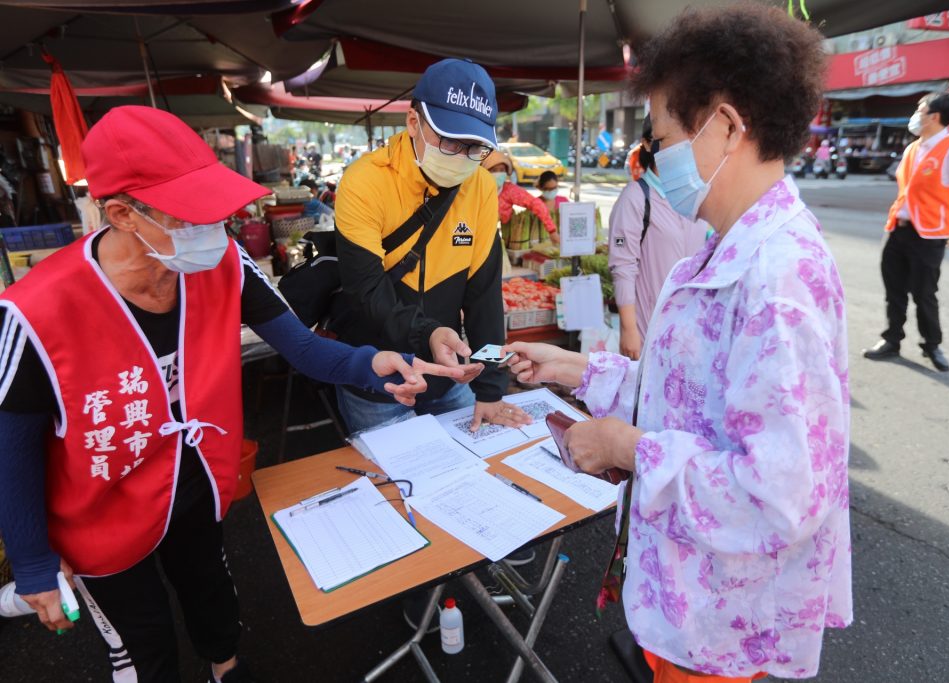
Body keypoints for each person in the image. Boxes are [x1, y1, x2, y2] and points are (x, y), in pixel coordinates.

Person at [0, 106, 464, 683]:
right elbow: (11, 446)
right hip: (101, 505)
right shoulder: (36, 310)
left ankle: (226, 668)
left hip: (192, 478)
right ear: (122, 213)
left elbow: (300, 346)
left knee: (212, 591)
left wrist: (373, 364)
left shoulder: (226, 264)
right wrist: (33, 561)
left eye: (216, 211)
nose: (214, 230)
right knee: (143, 646)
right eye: (192, 215)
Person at [504, 5, 851, 681]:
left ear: (724, 127)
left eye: (661, 138)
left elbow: (780, 495)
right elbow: (686, 393)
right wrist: (572, 367)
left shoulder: (777, 276)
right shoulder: (727, 250)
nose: (653, 158)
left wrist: (621, 447)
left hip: (727, 624)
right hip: (695, 601)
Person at [332, 58, 531, 435]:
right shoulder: (364, 182)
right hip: (381, 380)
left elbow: (484, 298)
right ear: (413, 123)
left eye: (475, 147)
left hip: (449, 378)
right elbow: (367, 293)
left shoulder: (481, 187)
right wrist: (427, 334)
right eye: (450, 140)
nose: (461, 157)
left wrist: (490, 389)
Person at [863, 92, 949, 372]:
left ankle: (931, 345)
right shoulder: (913, 148)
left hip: (928, 235)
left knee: (924, 293)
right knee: (894, 291)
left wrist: (942, 222)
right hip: (897, 230)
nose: (916, 114)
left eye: (920, 109)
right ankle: (892, 340)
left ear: (934, 117)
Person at [609, 115, 707, 359]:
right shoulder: (635, 198)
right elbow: (623, 265)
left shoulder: (697, 195)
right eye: (668, 138)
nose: (678, 147)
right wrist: (629, 329)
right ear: (646, 143)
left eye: (685, 138)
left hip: (690, 327)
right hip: (648, 327)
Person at [482, 150, 560, 244]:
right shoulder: (477, 190)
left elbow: (535, 203)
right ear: (484, 171)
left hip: (496, 239)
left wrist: (552, 231)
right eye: (494, 170)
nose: (498, 173)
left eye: (502, 170)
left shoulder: (509, 191)